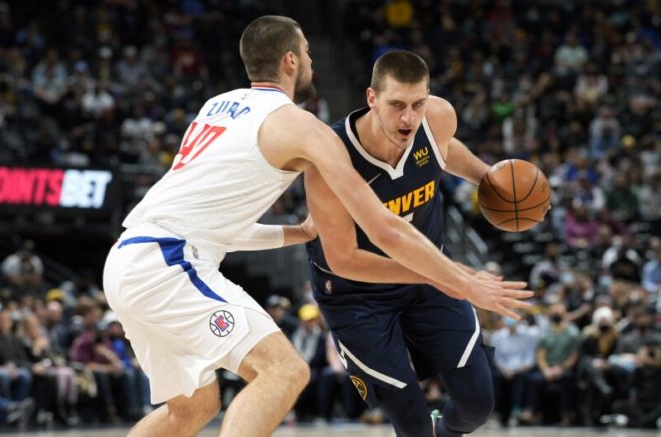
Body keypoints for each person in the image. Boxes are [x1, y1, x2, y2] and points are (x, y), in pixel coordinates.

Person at [103, 16, 530, 437]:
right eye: (307, 51)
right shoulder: (306, 129)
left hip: (129, 257)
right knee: (283, 371)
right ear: (290, 61)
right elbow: (383, 228)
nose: (312, 60)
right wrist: (461, 280)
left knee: (192, 409)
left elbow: (210, 223)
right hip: (171, 262)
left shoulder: (218, 107)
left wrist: (295, 232)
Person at [304, 50, 530, 437]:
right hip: (356, 294)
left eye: (417, 104)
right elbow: (344, 260)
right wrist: (450, 278)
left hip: (428, 276)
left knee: (477, 405)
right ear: (372, 98)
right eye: (396, 106)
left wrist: (488, 178)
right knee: (411, 422)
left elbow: (441, 151)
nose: (408, 118)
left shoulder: (437, 117)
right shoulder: (330, 157)